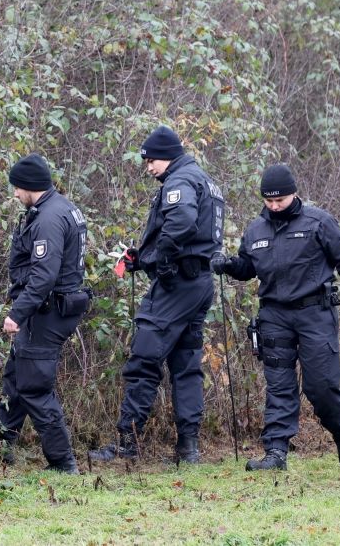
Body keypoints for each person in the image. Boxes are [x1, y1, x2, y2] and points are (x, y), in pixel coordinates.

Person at [89, 126, 225, 464]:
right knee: (186, 364)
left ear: (168, 155)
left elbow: (180, 222)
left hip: (176, 285)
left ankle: (127, 444)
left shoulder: (180, 181)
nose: (148, 167)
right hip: (198, 282)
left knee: (144, 358)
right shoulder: (202, 179)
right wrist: (143, 258)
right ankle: (188, 449)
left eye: (151, 161)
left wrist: (162, 261)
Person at [212, 164, 340, 470]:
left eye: (280, 200)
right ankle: (276, 453)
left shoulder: (319, 222)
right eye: (269, 201)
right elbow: (248, 268)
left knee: (322, 386)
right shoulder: (255, 230)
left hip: (315, 312)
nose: (275, 206)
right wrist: (228, 265)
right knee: (278, 384)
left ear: (294, 194)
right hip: (274, 314)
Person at [0, 153, 89, 474]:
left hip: (47, 312)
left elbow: (44, 276)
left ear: (29, 186)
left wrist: (17, 313)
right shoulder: (60, 207)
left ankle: (63, 462)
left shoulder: (47, 218)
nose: (15, 194)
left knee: (33, 385)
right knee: (17, 374)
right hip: (52, 308)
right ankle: (0, 442)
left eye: (17, 187)